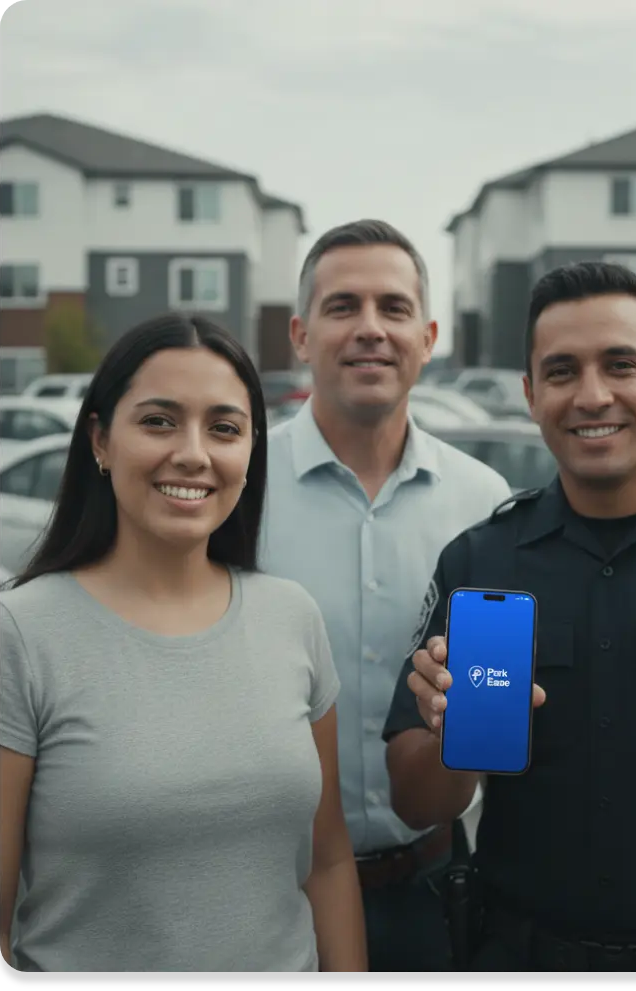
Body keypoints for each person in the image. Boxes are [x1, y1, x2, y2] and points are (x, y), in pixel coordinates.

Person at [383, 261, 636, 972]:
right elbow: (416, 798)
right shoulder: (479, 562)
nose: (592, 395)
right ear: (530, 394)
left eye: (620, 365)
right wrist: (446, 734)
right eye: (561, 372)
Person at [0, 314, 367, 973]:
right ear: (100, 440)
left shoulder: (293, 617)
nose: (193, 453)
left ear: (252, 452)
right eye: (159, 421)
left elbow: (330, 860)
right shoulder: (22, 633)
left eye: (224, 428)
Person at [260, 219, 512, 972]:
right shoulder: (237, 491)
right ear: (301, 335)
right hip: (270, 896)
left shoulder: (485, 499)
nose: (370, 329)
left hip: (438, 890)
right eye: (344, 307)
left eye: (393, 308)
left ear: (428, 335)